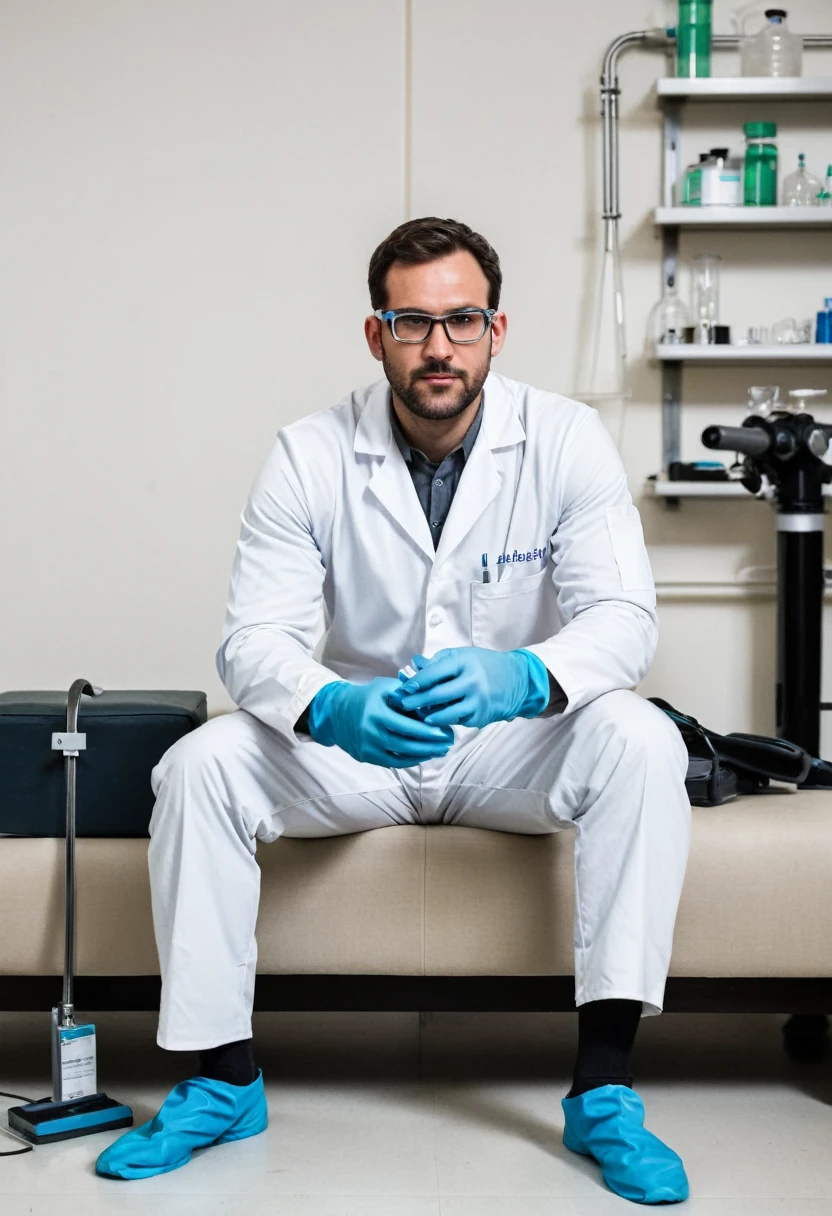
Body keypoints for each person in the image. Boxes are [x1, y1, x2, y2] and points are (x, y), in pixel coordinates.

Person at [96, 217, 692, 1204]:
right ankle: (222, 1077)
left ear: (497, 329)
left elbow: (624, 618)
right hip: (361, 744)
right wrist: (331, 705)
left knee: (639, 735)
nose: (439, 347)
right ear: (375, 336)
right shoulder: (308, 451)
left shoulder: (565, 438)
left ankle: (603, 1092)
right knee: (201, 762)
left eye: (461, 320)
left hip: (511, 745)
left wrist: (525, 680)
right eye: (411, 324)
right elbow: (253, 640)